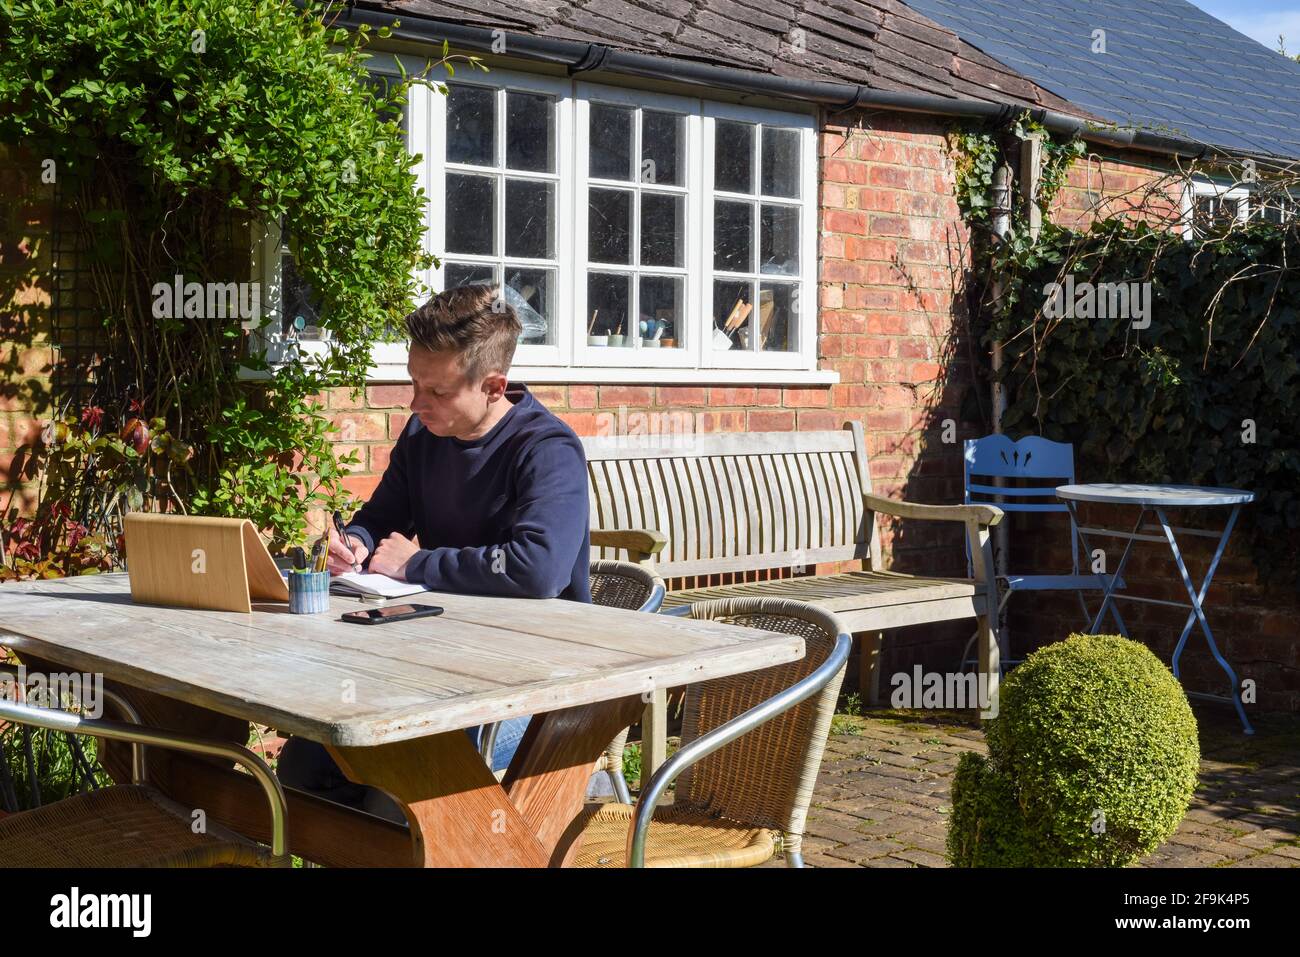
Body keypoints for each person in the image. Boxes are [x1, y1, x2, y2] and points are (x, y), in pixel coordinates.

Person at [275, 284, 593, 823]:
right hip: (432, 663)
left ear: (494, 386)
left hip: (534, 683)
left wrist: (415, 564)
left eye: (436, 392)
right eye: (413, 383)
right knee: (302, 769)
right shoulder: (426, 435)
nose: (416, 404)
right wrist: (357, 543)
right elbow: (381, 517)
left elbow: (539, 570)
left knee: (396, 799)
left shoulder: (547, 449)